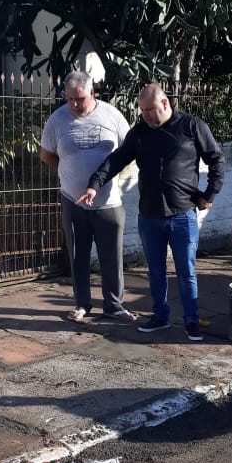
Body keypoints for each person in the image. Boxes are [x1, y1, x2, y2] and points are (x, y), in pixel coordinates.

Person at [76, 82, 225, 341]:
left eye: (149, 110)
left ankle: (191, 321)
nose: (145, 115)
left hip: (182, 215)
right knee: (155, 272)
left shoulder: (191, 126)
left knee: (186, 272)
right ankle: (160, 317)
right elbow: (116, 160)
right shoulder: (139, 133)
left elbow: (216, 159)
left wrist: (209, 194)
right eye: (142, 111)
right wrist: (93, 185)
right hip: (149, 217)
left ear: (164, 103)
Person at [40, 70, 135, 322]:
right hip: (73, 201)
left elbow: (128, 151)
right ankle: (82, 303)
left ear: (92, 93)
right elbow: (46, 154)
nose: (74, 104)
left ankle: (114, 306)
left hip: (108, 202)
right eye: (70, 98)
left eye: (79, 99)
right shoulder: (57, 120)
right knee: (77, 255)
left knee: (111, 256)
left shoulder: (112, 115)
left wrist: (108, 176)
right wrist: (68, 173)